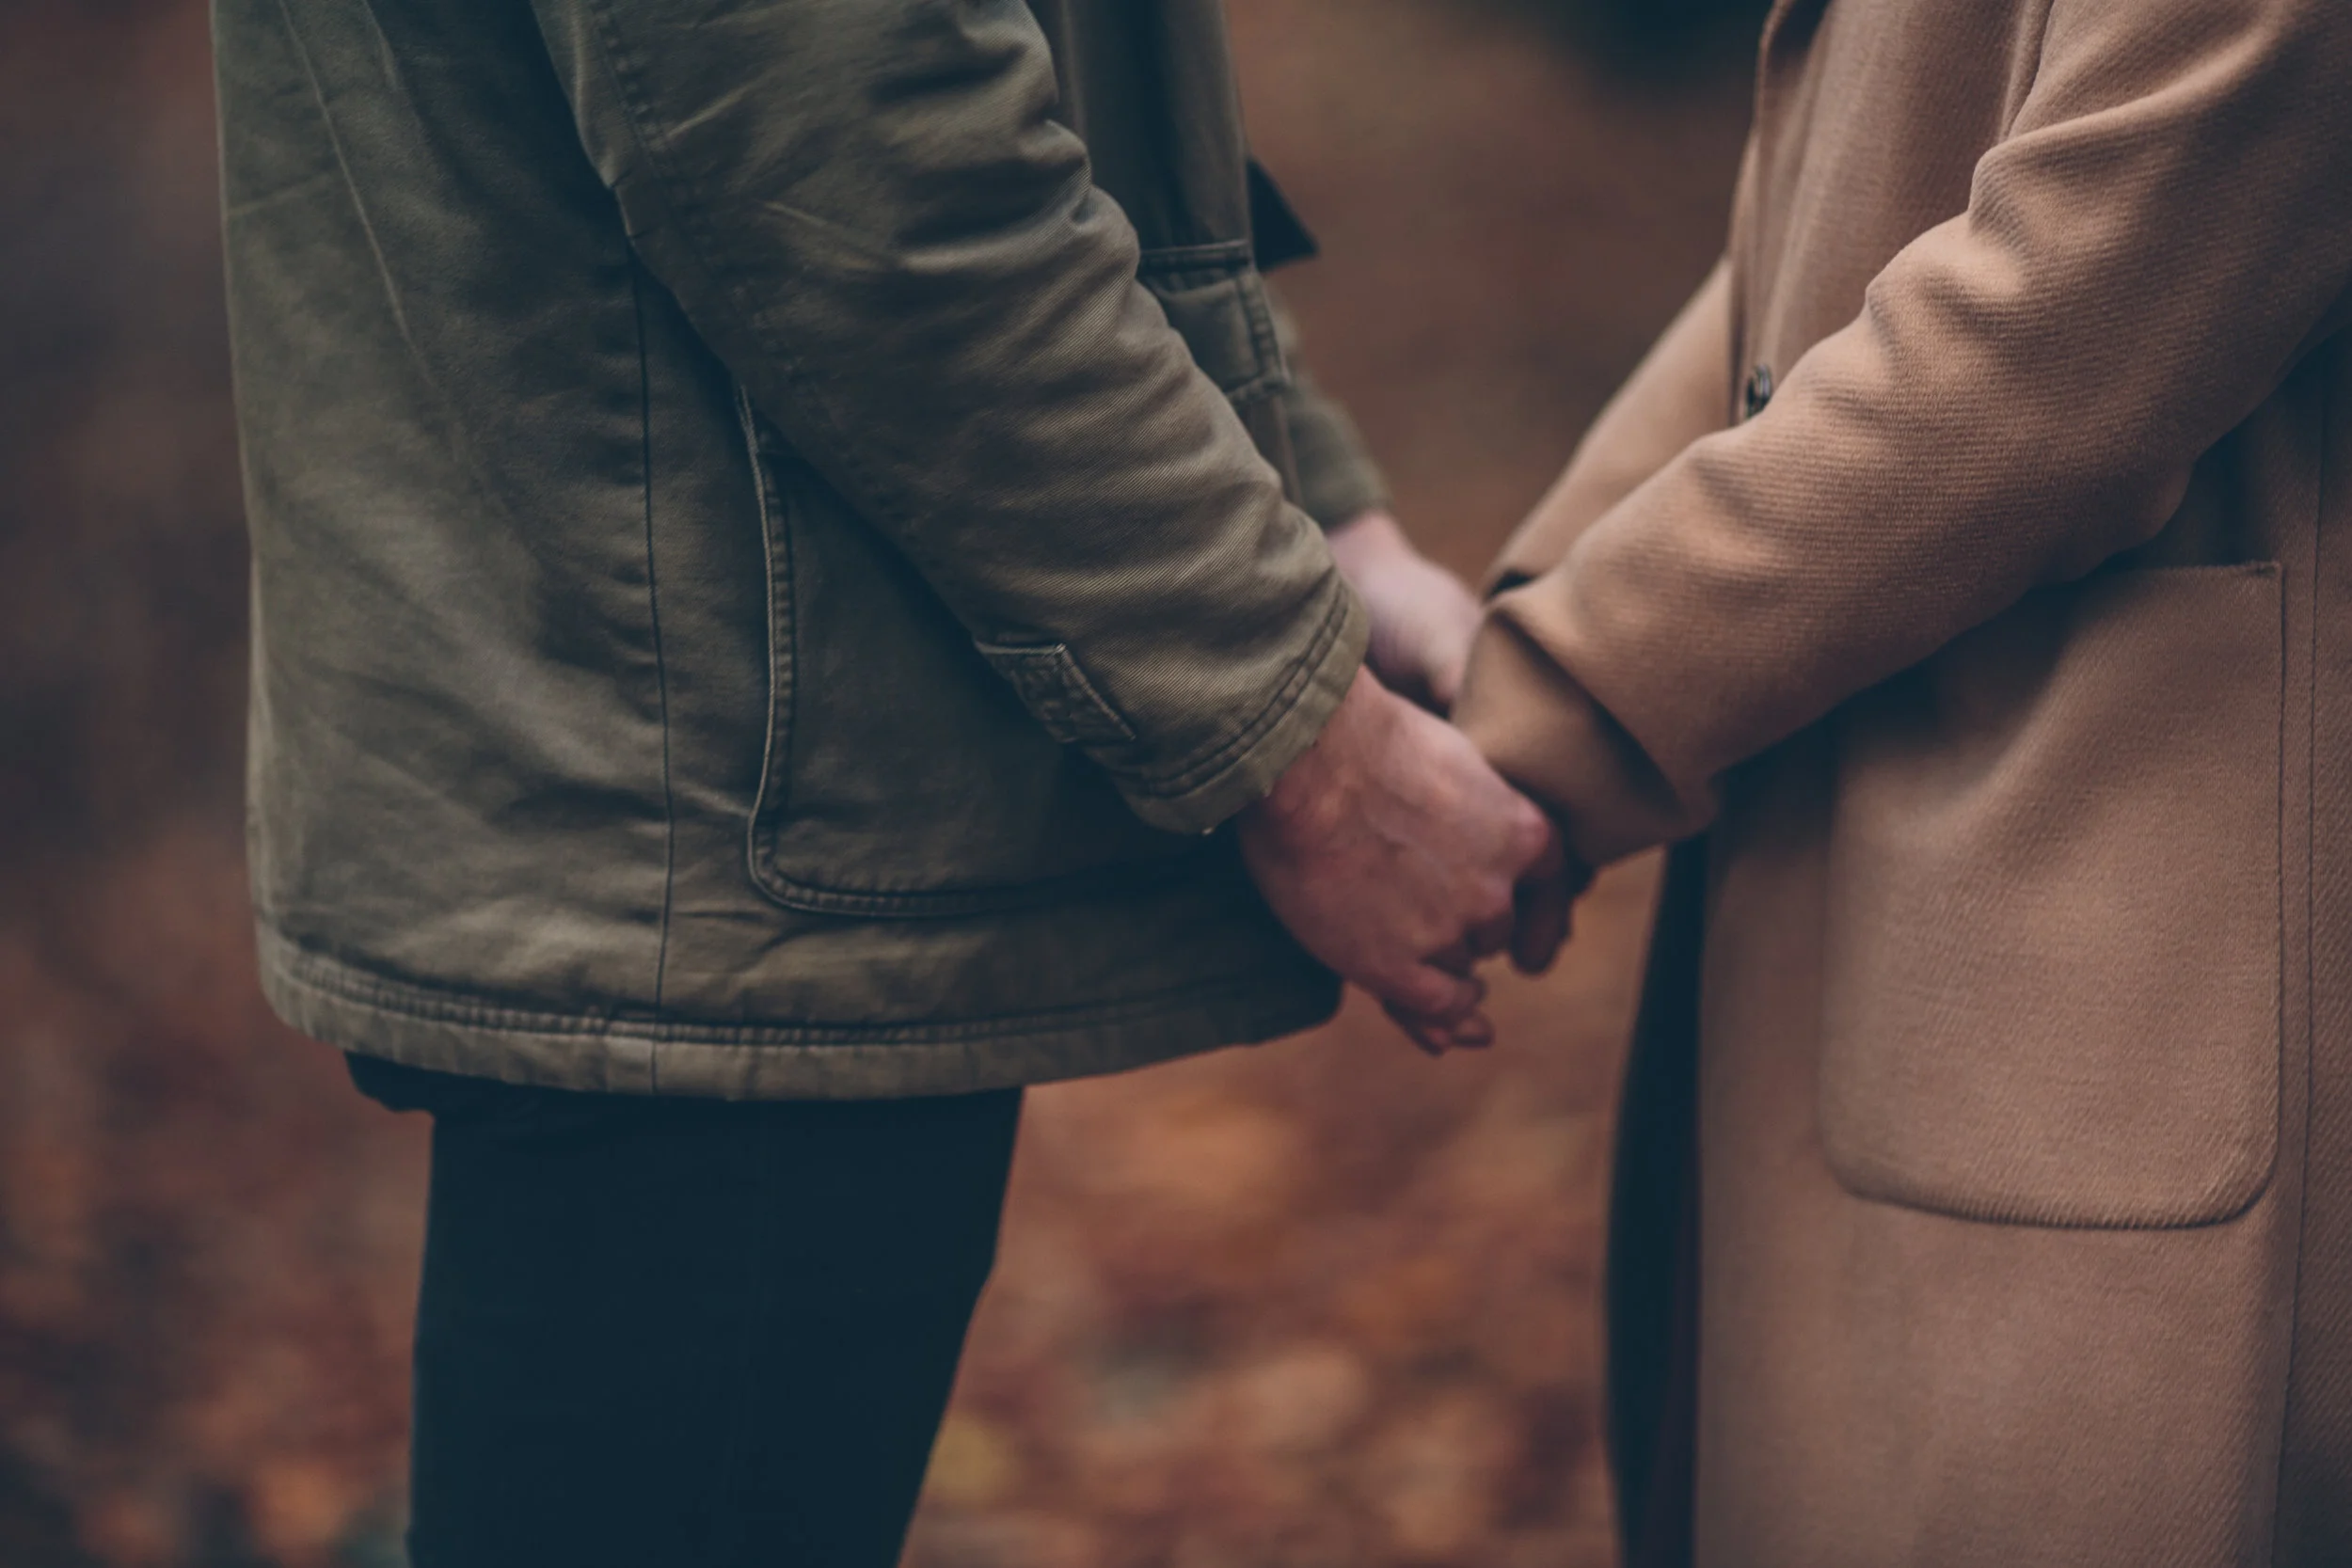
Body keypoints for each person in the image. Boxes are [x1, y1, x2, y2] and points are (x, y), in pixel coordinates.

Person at [212, 1, 1560, 1562]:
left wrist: (1311, 503)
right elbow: (863, 158)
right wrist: (1304, 740)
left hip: (734, 781)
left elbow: (1023, 84)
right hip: (716, 827)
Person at [1450, 0, 2352, 1561]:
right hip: (1900, 850)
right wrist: (1507, 673)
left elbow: (2045, 350)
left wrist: (1548, 717)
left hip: (2115, 932)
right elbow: (1798, 248)